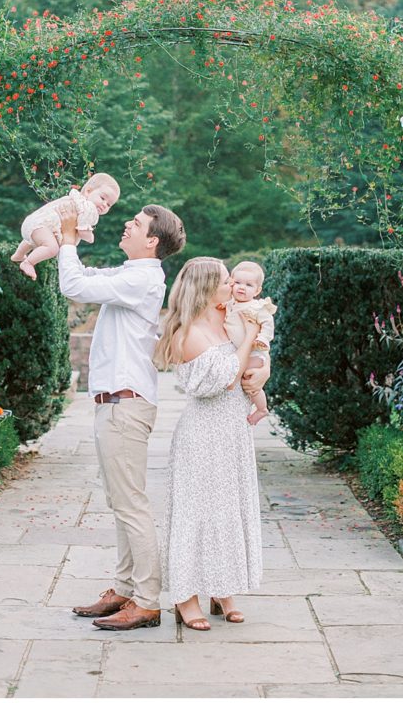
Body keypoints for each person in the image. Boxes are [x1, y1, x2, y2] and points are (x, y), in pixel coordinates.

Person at [58, 199, 186, 631]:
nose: (126, 226)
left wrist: (70, 240)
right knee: (121, 502)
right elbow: (88, 279)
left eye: (135, 224)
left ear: (152, 240)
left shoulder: (143, 278)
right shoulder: (131, 275)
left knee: (131, 505)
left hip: (124, 405)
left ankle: (147, 601)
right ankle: (124, 588)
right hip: (115, 403)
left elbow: (74, 286)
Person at [159, 257, 266, 631]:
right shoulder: (188, 334)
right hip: (203, 436)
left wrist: (263, 364)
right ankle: (185, 597)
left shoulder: (230, 318)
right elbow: (225, 379)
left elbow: (259, 359)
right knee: (195, 514)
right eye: (225, 281)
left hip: (233, 432)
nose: (233, 285)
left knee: (227, 511)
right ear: (205, 289)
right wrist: (251, 338)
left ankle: (223, 590)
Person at [11, 172, 120, 280]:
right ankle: (28, 263)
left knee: (33, 241)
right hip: (41, 226)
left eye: (109, 204)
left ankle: (19, 254)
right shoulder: (87, 209)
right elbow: (83, 232)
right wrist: (90, 237)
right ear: (88, 191)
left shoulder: (73, 198)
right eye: (102, 198)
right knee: (52, 248)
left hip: (33, 223)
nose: (105, 204)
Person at [224, 260, 277, 426]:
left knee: (249, 380)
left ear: (257, 290)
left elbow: (268, 324)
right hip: (242, 350)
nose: (241, 287)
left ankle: (261, 408)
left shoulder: (256, 307)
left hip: (255, 351)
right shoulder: (231, 304)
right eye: (238, 282)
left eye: (248, 285)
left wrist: (262, 338)